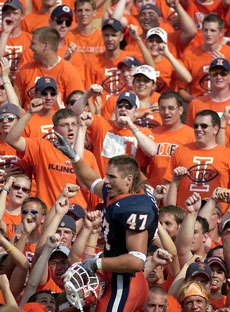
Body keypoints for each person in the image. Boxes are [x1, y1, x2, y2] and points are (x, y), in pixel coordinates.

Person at [53, 134, 159, 312]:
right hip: (118, 275)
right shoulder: (117, 191)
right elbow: (92, 181)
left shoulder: (134, 207)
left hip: (125, 282)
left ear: (129, 180)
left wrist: (97, 264)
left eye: (112, 177)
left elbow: (136, 261)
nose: (106, 181)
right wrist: (75, 158)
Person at [73, 91, 158, 177]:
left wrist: (131, 126)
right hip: (103, 185)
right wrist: (88, 93)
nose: (123, 109)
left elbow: (152, 151)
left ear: (136, 112)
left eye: (128, 106)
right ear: (115, 109)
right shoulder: (102, 124)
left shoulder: (142, 132)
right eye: (120, 105)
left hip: (128, 188)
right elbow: (77, 113)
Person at [164, 110, 230, 213]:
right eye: (196, 126)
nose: (198, 129)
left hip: (215, 218)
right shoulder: (180, 151)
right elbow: (168, 186)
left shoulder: (227, 155)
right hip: (183, 217)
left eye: (204, 126)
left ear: (215, 129)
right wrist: (171, 214)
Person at [15, 26, 85, 111]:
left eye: (33, 43)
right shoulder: (26, 69)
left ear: (45, 45)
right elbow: (16, 103)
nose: (30, 47)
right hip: (29, 122)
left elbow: (78, 106)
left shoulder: (69, 71)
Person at [146, 91, 195, 188]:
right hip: (155, 192)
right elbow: (140, 167)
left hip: (180, 193)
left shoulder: (192, 135)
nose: (166, 112)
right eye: (162, 108)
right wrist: (148, 186)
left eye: (171, 108)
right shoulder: (151, 134)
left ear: (180, 110)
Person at [179, 13, 230, 103]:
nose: (208, 34)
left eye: (212, 31)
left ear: (221, 32)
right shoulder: (190, 55)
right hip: (200, 104)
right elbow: (181, 89)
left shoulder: (228, 53)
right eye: (205, 30)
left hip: (224, 104)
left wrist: (226, 65)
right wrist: (196, 102)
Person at [186, 58, 230, 127]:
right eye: (214, 73)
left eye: (223, 73)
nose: (219, 77)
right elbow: (189, 135)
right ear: (209, 76)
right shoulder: (196, 104)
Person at [175, 192, 210, 267]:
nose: (190, 236)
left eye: (194, 232)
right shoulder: (175, 260)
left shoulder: (214, 260)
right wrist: (191, 213)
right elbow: (182, 250)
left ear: (205, 237)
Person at [0, 0, 31, 78]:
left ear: (22, 16)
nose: (11, 16)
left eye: (15, 13)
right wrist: (5, 33)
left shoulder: (31, 39)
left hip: (20, 83)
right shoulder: (2, 35)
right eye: (7, 13)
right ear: (2, 15)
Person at [0, 174, 31, 239]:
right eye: (16, 187)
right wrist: (6, 187)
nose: (20, 191)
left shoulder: (29, 219)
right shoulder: (2, 214)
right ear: (10, 189)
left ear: (28, 195)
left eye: (24, 189)